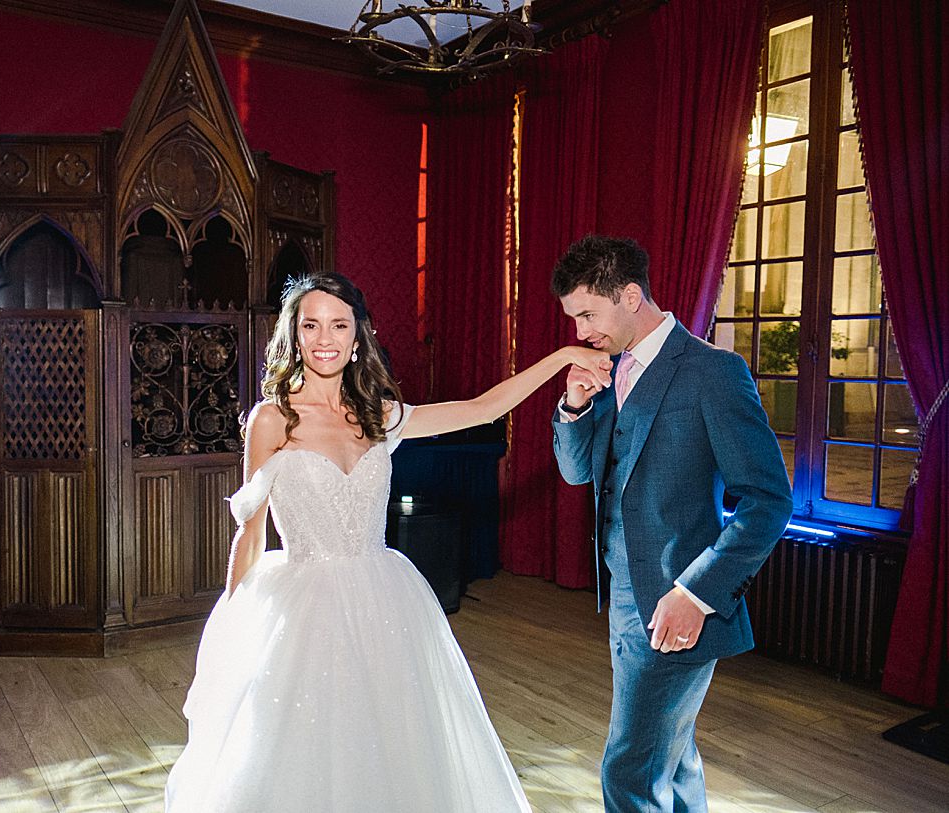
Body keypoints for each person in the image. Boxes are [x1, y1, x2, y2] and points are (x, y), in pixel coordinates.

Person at [164, 272, 611, 812]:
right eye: (311, 325)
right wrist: (230, 630)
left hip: (385, 602)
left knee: (388, 748)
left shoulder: (380, 414)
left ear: (358, 338)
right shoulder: (271, 419)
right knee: (303, 750)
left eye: (338, 325)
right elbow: (251, 531)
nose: (324, 338)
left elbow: (484, 409)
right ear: (294, 335)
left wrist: (562, 357)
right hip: (302, 609)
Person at [549, 235, 793, 813]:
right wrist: (576, 407)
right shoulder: (605, 370)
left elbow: (768, 499)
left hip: (677, 604)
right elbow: (577, 473)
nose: (581, 331)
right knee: (670, 754)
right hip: (624, 598)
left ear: (631, 296)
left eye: (588, 314)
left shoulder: (714, 373)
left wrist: (696, 592)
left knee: (631, 766)